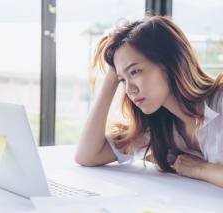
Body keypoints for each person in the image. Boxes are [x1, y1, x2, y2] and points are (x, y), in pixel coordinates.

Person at [74, 15, 223, 188]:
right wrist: (111, 79)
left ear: (169, 62)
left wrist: (201, 169)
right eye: (122, 80)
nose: (129, 90)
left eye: (135, 72)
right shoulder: (159, 124)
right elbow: (87, 156)